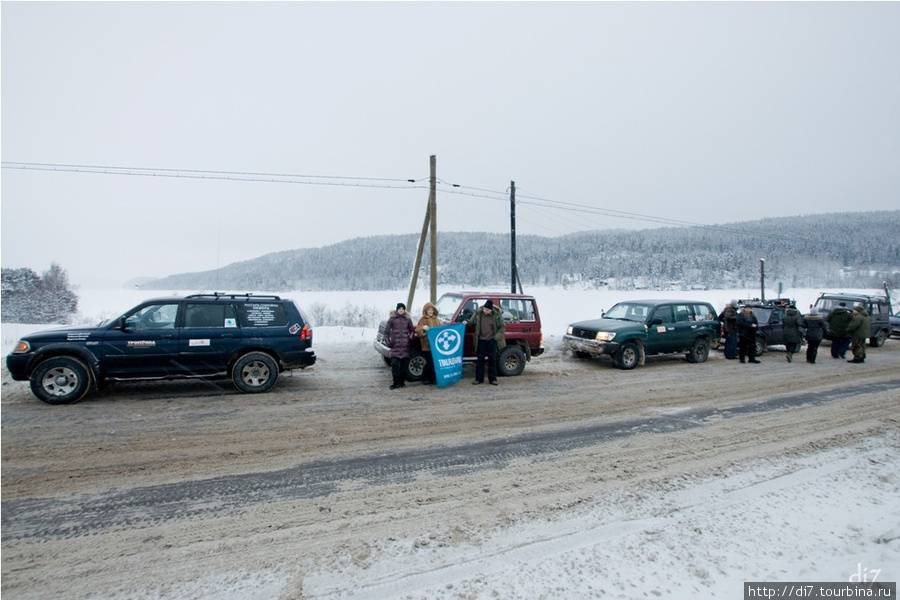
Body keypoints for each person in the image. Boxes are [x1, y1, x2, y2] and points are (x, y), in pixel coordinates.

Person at [463, 299, 506, 385]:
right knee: (480, 360)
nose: (485, 310)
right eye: (485, 309)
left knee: (492, 360)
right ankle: (478, 379)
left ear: (491, 310)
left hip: (492, 340)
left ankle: (493, 379)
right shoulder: (478, 313)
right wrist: (466, 321)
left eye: (487, 309)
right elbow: (471, 322)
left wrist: (496, 337)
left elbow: (502, 327)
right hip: (481, 340)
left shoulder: (496, 315)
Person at [384, 302, 415, 389]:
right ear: (397, 310)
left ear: (404, 310)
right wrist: (388, 342)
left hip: (405, 346)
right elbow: (386, 333)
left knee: (404, 366)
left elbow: (412, 330)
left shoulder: (408, 319)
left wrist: (410, 338)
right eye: (399, 309)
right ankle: (395, 383)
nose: (401, 310)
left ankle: (401, 382)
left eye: (402, 309)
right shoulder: (392, 319)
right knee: (394, 365)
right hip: (395, 346)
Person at [414, 301, 441, 385]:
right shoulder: (422, 320)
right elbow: (417, 331)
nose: (430, 311)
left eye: (431, 309)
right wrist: (423, 328)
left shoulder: (437, 320)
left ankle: (432, 378)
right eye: (428, 310)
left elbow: (440, 331)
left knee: (434, 362)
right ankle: (425, 377)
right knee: (429, 362)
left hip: (435, 345)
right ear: (425, 311)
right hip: (426, 345)